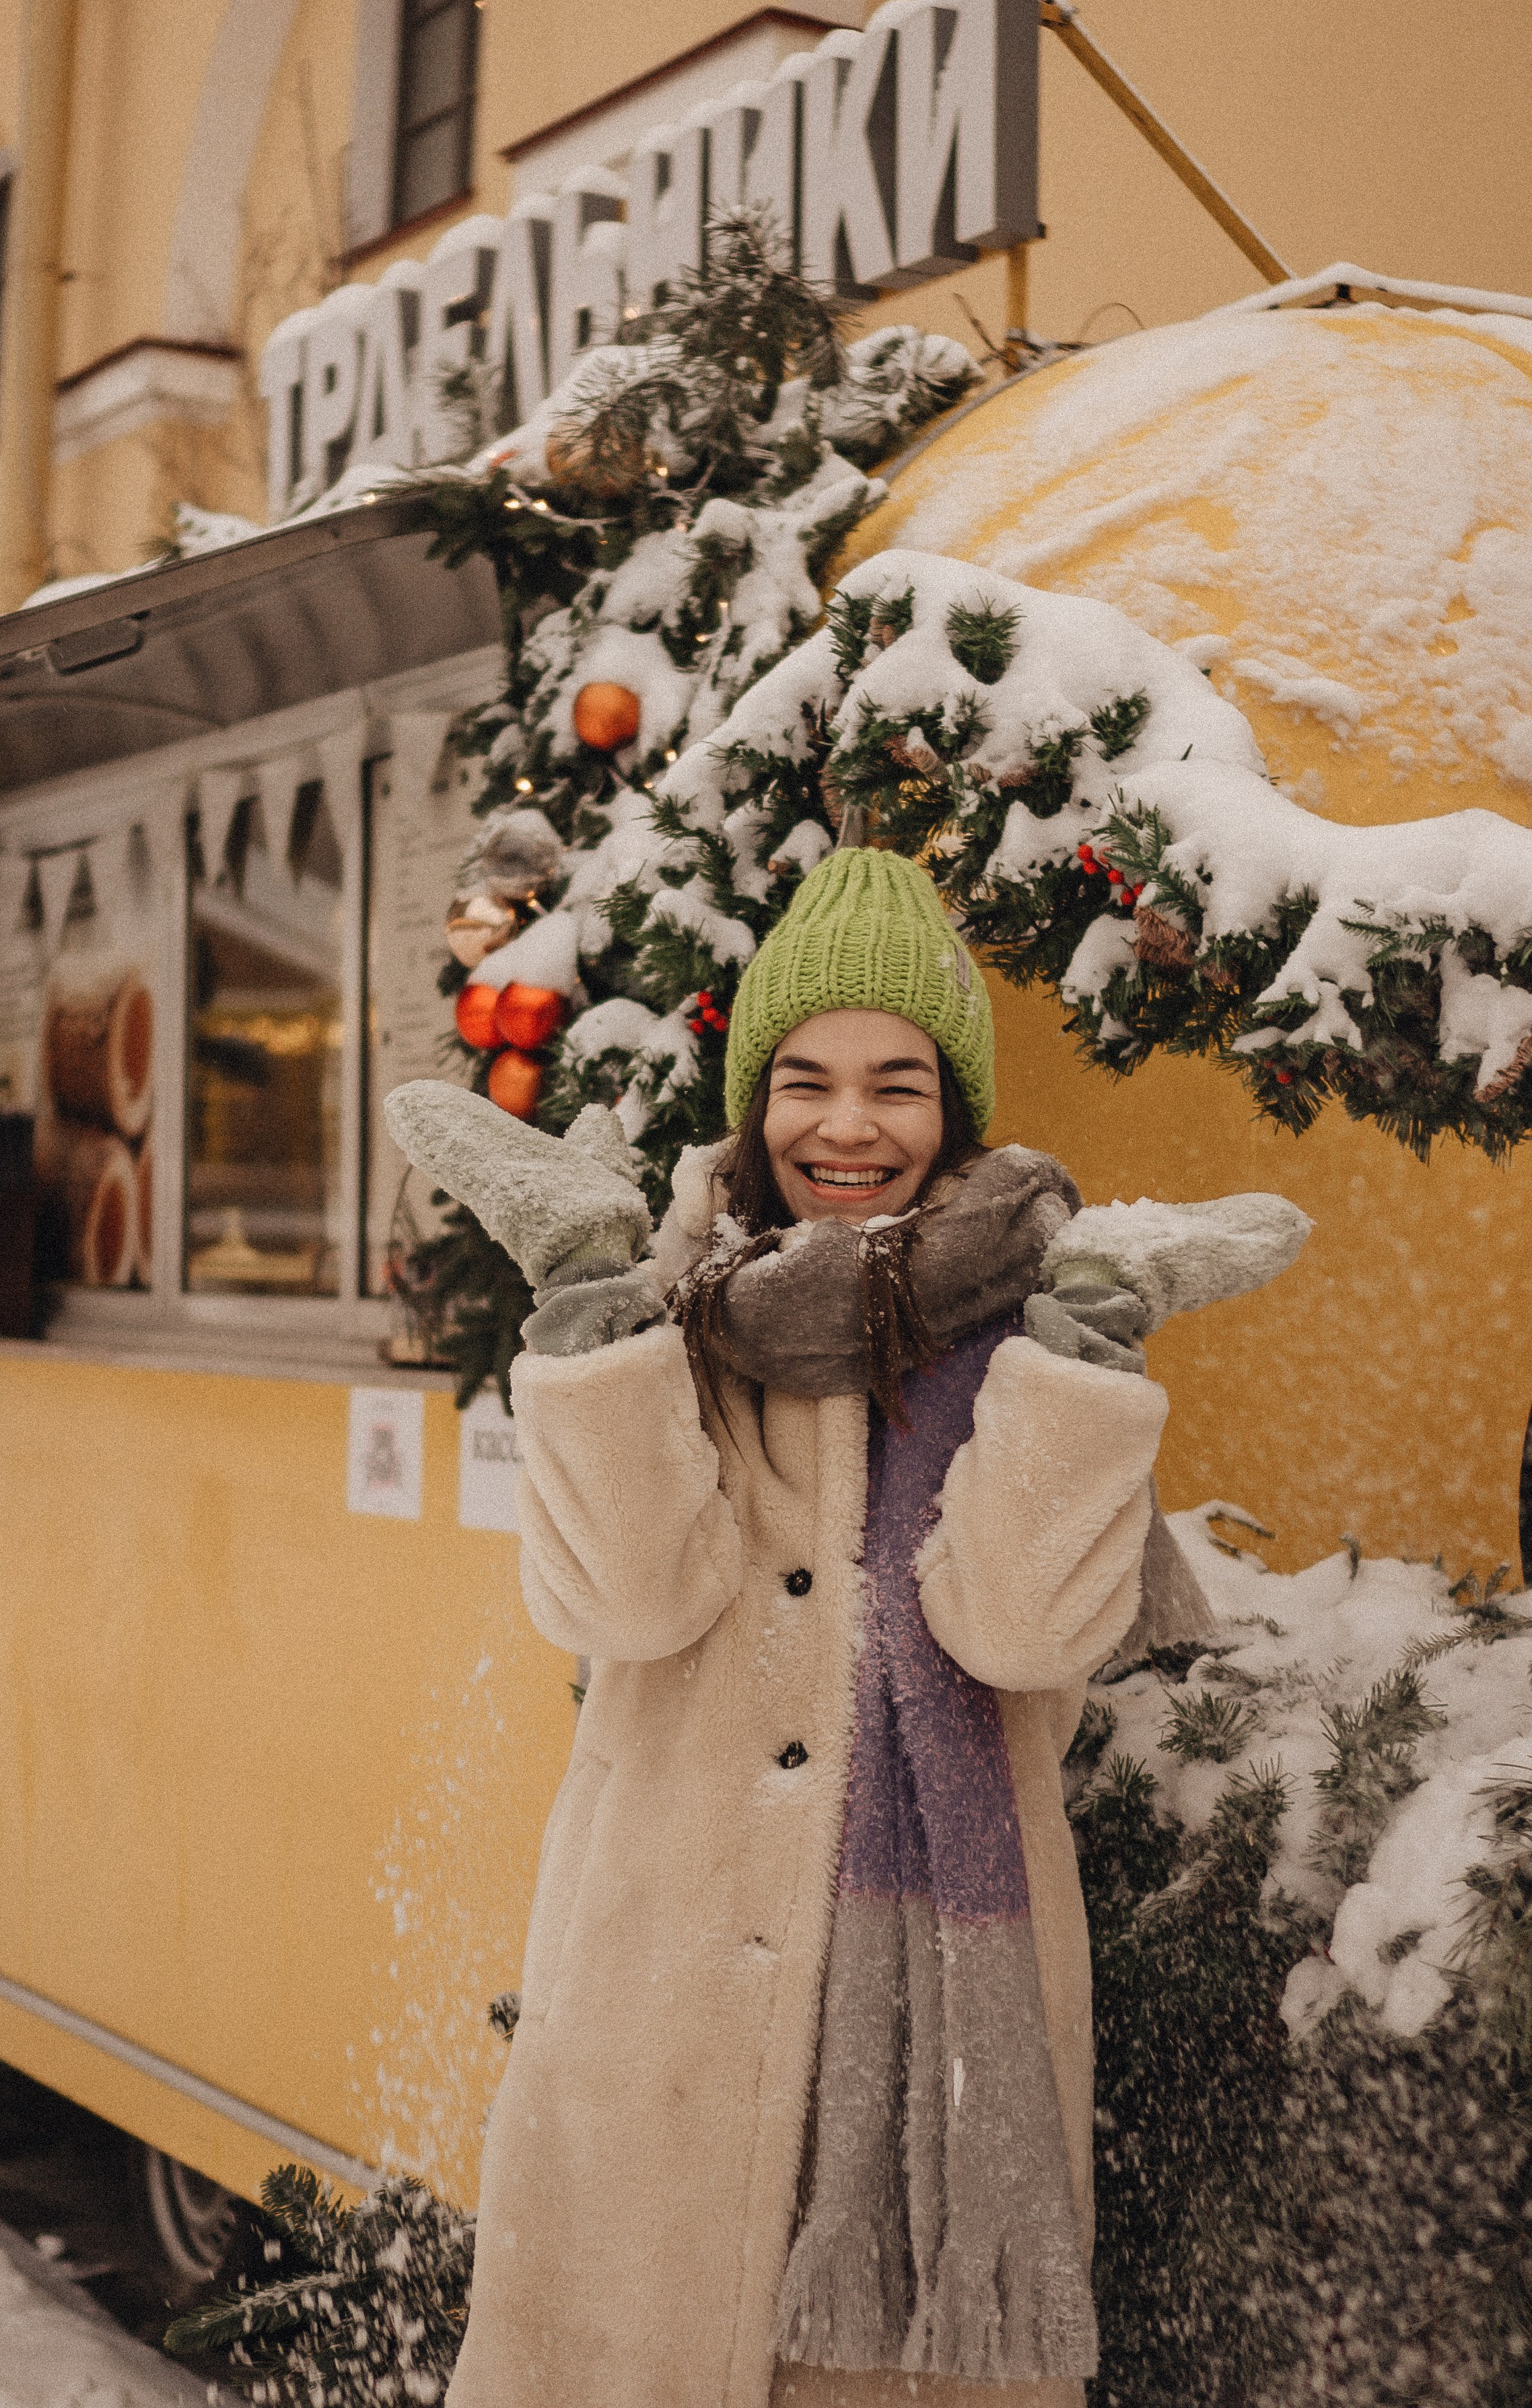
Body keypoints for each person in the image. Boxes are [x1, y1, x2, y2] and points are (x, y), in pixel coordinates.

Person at [391, 847, 1212, 2408]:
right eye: (803, 1081)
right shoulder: (666, 1319)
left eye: (897, 1085)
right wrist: (583, 1307)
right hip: (662, 2017)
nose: (847, 1128)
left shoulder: (1033, 1349)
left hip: (932, 2047)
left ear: (952, 1112)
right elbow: (618, 1602)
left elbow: (1026, 1636)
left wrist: (1085, 1365)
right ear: (751, 1104)